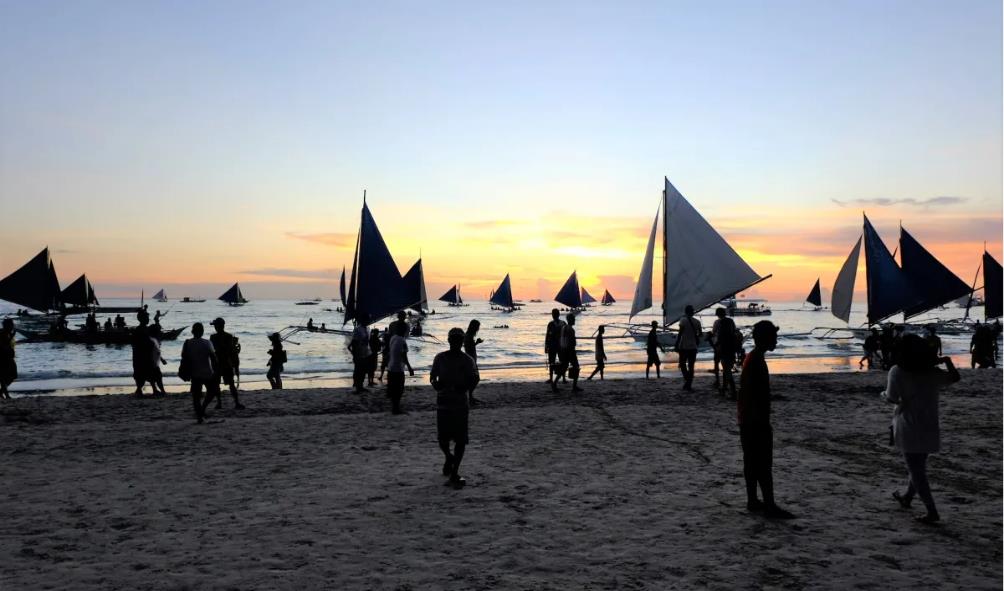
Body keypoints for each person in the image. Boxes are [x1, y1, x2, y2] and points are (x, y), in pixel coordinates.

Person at [882, 334, 960, 524]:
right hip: (930, 424)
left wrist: (882, 394)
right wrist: (947, 361)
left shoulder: (897, 371)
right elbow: (954, 378)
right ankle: (907, 497)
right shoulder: (931, 372)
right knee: (918, 466)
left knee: (915, 470)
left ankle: (931, 511)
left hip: (908, 424)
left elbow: (892, 398)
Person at [737, 320, 794, 519]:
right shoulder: (755, 361)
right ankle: (768, 504)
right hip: (755, 420)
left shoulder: (754, 358)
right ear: (764, 338)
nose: (776, 340)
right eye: (773, 337)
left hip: (749, 418)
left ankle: (753, 500)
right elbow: (753, 394)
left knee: (752, 462)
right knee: (762, 463)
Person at [430, 328, 479, 489]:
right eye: (454, 339)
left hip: (460, 404)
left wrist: (466, 388)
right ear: (449, 340)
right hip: (443, 402)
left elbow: (475, 378)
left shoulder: (467, 360)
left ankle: (455, 471)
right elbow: (433, 376)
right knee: (442, 439)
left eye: (459, 340)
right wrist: (436, 384)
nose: (456, 342)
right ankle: (449, 457)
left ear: (462, 342)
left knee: (460, 439)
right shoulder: (440, 358)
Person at [179, 322, 220, 424]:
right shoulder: (207, 343)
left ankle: (199, 417)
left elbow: (184, 356)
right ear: (202, 331)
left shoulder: (187, 343)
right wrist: (217, 371)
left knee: (196, 396)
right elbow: (214, 358)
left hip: (194, 373)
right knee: (213, 391)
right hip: (207, 372)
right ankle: (203, 408)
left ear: (192, 331)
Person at [209, 318, 245, 410]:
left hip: (219, 364)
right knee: (230, 384)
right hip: (225, 363)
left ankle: (220, 403)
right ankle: (235, 403)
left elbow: (213, 351)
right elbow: (230, 351)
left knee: (219, 384)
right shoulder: (229, 337)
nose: (215, 327)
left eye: (216, 325)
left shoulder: (213, 337)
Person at [386, 322, 414, 414]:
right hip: (398, 369)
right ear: (404, 331)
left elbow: (390, 352)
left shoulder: (393, 338)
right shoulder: (402, 341)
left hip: (391, 367)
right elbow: (404, 356)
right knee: (399, 389)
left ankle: (394, 408)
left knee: (393, 389)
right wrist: (410, 368)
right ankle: (396, 409)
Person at [675, 305, 702, 391]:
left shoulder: (683, 320)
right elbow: (700, 334)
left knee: (682, 364)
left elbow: (680, 334)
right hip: (693, 347)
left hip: (684, 347)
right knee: (691, 366)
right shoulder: (697, 322)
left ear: (686, 312)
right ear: (693, 312)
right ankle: (688, 384)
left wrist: (676, 344)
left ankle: (687, 380)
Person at [712, 308, 738, 398]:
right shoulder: (731, 321)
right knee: (727, 368)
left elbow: (715, 334)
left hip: (722, 349)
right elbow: (734, 332)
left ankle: (732, 390)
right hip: (731, 348)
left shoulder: (718, 323)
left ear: (718, 314)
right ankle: (725, 387)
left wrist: (715, 344)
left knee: (725, 369)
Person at [555, 313, 582, 393]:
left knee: (563, 368)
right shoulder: (571, 329)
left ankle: (555, 383)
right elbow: (572, 342)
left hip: (563, 351)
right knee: (576, 367)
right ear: (570, 320)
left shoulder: (563, 328)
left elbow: (561, 340)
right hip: (570, 351)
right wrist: (572, 352)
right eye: (573, 319)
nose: (575, 320)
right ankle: (574, 387)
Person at [380, 311, 408, 381]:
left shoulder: (405, 326)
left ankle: (388, 377)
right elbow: (404, 337)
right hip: (393, 346)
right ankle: (386, 376)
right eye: (402, 316)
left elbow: (404, 337)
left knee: (392, 363)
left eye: (403, 316)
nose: (403, 318)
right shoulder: (403, 326)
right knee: (394, 363)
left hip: (393, 345)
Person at [130, 311, 153, 397]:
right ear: (141, 319)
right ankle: (139, 389)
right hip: (140, 355)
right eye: (146, 318)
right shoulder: (139, 330)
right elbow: (135, 343)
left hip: (144, 354)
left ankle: (140, 389)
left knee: (147, 371)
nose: (148, 320)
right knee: (140, 373)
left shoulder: (146, 329)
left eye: (148, 318)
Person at [348, 317, 371, 393]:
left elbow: (368, 341)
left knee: (364, 370)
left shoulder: (368, 328)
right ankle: (358, 387)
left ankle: (361, 386)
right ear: (362, 320)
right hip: (358, 353)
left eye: (368, 320)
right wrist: (354, 355)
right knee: (358, 370)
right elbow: (354, 343)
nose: (368, 321)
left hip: (366, 353)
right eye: (366, 319)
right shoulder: (358, 329)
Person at [463, 319, 483, 404]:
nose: (478, 329)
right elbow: (469, 347)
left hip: (471, 360)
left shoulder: (468, 335)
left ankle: (470, 397)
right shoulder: (468, 336)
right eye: (477, 327)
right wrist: (477, 342)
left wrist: (477, 343)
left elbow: (469, 346)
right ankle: (470, 397)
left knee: (472, 379)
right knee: (475, 378)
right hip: (470, 361)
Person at [545, 309, 566, 385]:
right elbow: (547, 335)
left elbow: (547, 335)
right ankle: (555, 378)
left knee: (560, 362)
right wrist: (546, 346)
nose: (553, 315)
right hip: (555, 346)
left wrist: (546, 346)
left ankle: (561, 378)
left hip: (558, 346)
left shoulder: (562, 323)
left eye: (554, 314)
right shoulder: (560, 323)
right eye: (553, 314)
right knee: (552, 362)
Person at [147, 324, 168, 395]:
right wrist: (152, 361)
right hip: (152, 362)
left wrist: (162, 359)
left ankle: (155, 390)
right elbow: (149, 352)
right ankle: (162, 391)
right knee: (158, 377)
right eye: (159, 331)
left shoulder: (154, 340)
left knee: (153, 377)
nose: (160, 332)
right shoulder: (151, 340)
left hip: (154, 362)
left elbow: (157, 351)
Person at [0, 318, 16, 400]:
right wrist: (11, 337)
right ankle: (6, 395)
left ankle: (2, 393)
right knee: (4, 377)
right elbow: (3, 346)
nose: (13, 326)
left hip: (9, 357)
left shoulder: (7, 333)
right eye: (11, 325)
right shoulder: (2, 333)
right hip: (3, 358)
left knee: (12, 376)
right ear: (7, 326)